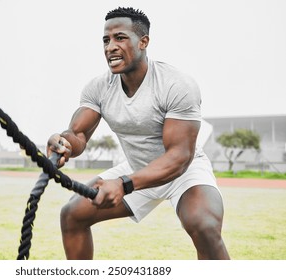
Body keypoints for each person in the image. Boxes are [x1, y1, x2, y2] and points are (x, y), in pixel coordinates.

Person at [47, 7, 230, 260]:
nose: (110, 47)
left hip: (183, 172)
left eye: (120, 38)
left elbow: (179, 156)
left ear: (143, 42)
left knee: (204, 226)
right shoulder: (98, 88)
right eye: (106, 40)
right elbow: (78, 135)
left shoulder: (177, 85)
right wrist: (64, 142)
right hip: (135, 169)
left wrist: (124, 184)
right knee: (73, 215)